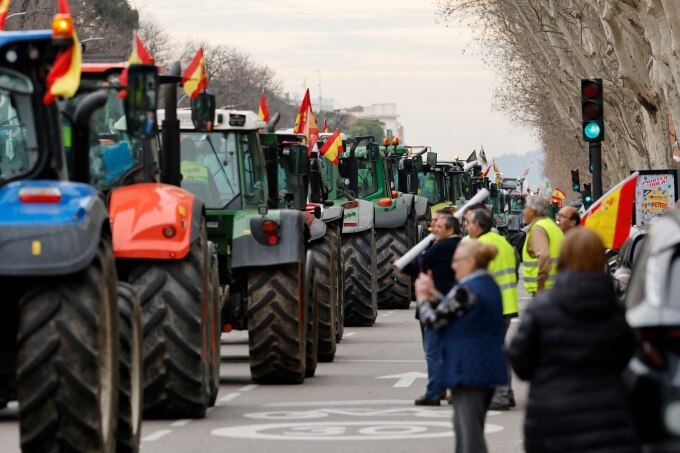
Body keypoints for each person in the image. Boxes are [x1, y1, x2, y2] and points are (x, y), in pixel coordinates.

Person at [507, 228, 640, 453]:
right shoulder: (616, 311)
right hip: (607, 419)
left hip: (551, 418)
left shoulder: (541, 309)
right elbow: (628, 359)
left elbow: (520, 362)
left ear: (565, 258)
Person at [415, 240, 507, 453]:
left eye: (456, 261)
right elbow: (456, 308)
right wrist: (434, 294)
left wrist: (422, 299)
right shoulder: (486, 284)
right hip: (483, 369)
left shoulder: (466, 290)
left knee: (469, 438)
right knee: (470, 431)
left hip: (468, 371)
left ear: (471, 262)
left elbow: (434, 321)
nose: (453, 265)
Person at [401, 211, 461, 406]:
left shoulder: (441, 247)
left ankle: (436, 390)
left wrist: (403, 266)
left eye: (438, 224)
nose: (433, 227)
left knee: (433, 350)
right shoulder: (445, 244)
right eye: (433, 223)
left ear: (450, 227)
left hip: (436, 303)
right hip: (447, 302)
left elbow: (417, 265)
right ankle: (447, 388)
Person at [464, 205, 518, 410]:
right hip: (505, 303)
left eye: (468, 223)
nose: (466, 226)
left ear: (478, 225)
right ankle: (506, 393)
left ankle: (501, 395)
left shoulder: (479, 245)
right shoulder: (502, 242)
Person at [522, 195, 564, 295]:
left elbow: (544, 256)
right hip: (556, 287)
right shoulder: (551, 226)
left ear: (533, 210)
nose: (524, 212)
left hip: (544, 290)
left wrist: (540, 286)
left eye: (525, 208)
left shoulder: (538, 228)